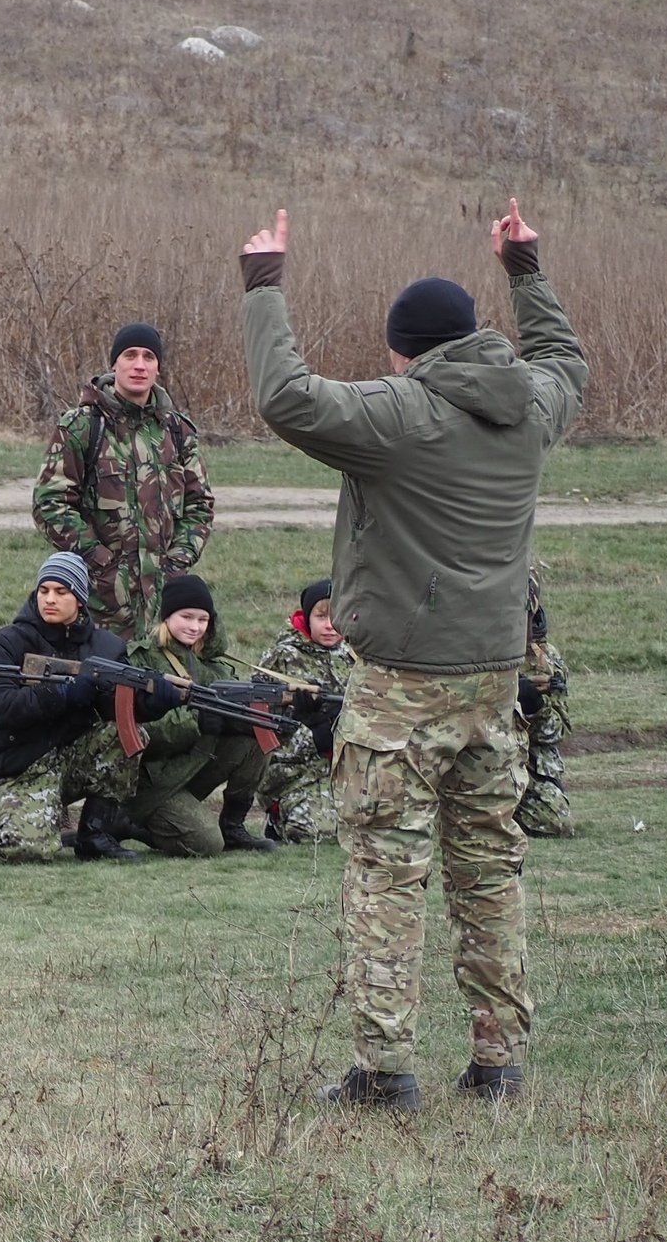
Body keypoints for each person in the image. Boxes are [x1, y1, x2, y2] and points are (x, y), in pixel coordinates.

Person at [241, 198, 587, 1107]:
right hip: (495, 688)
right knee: (488, 872)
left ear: (405, 349)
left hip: (400, 693)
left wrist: (264, 283)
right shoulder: (530, 408)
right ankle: (499, 1064)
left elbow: (286, 396)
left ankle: (386, 1073)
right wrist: (526, 268)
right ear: (471, 337)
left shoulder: (400, 414)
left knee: (387, 879)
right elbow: (565, 361)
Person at [32, 321, 216, 638]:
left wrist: (177, 562)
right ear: (114, 363)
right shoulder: (82, 426)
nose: (139, 365)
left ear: (158, 367)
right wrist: (101, 562)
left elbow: (200, 505)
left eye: (149, 357)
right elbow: (50, 504)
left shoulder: (178, 431)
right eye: (130, 355)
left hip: (163, 603)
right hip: (100, 603)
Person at [0, 552, 148, 864]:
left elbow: (117, 709)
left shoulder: (107, 646)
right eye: (44, 591)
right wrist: (62, 694)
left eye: (61, 592)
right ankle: (5, 824)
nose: (50, 599)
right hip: (21, 766)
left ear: (80, 598)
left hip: (72, 760)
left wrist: (153, 701)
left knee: (127, 732)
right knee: (24, 850)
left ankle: (95, 833)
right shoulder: (9, 641)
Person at [115, 575, 276, 858]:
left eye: (203, 620)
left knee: (257, 737)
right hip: (154, 780)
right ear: (166, 617)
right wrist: (195, 722)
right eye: (186, 617)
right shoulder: (141, 659)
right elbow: (137, 729)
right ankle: (129, 822)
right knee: (207, 845)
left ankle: (233, 825)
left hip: (194, 766)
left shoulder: (214, 664)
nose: (195, 627)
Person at [256, 579, 352, 845]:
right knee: (314, 833)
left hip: (347, 770)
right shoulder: (281, 658)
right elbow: (262, 731)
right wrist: (312, 735)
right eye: (321, 616)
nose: (330, 624)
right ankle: (277, 818)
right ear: (306, 616)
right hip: (295, 772)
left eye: (338, 616)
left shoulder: (356, 656)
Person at [517, 579, 573, 840]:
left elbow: (558, 730)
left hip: (524, 761)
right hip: (475, 752)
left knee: (553, 820)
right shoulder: (474, 648)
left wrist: (533, 704)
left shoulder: (545, 659)